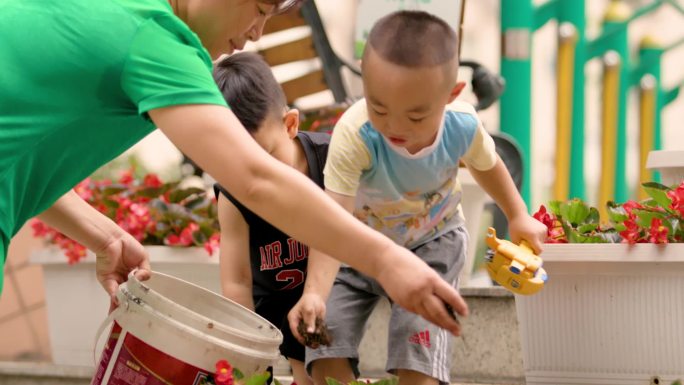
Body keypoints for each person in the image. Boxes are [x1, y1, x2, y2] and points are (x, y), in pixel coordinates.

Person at [0, 0, 464, 334]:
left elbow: (17, 152)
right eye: (261, 8)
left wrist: (105, 236)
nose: (257, 32)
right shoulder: (154, 36)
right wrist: (387, 259)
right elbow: (255, 179)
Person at [287, 10, 547, 385]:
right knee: (326, 341)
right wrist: (314, 293)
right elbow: (333, 220)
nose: (394, 126)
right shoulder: (356, 133)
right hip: (358, 247)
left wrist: (518, 213)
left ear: (451, 94)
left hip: (432, 243)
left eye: (415, 116)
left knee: (419, 347)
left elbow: (488, 165)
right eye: (379, 108)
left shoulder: (461, 125)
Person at [212, 52, 327, 385]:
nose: (255, 174)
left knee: (315, 372)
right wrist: (247, 348)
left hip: (325, 289)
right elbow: (236, 281)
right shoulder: (234, 192)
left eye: (265, 155)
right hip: (273, 301)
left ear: (290, 125)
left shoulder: (329, 161)